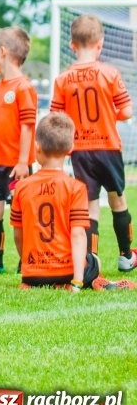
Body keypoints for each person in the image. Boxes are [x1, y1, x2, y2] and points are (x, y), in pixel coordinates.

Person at [50, 14, 137, 274]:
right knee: (118, 201)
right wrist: (110, 113)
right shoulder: (110, 73)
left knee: (90, 206)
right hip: (108, 147)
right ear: (100, 43)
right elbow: (127, 111)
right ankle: (126, 256)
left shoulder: (63, 79)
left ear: (72, 45)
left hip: (80, 150)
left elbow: (57, 118)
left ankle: (91, 262)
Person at [12, 113, 134, 291]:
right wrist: (77, 280)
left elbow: (18, 235)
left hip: (32, 275)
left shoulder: (21, 187)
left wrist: (27, 267)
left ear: (36, 147)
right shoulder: (75, 187)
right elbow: (78, 235)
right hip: (66, 273)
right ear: (70, 149)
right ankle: (95, 281)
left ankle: (32, 281)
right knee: (95, 260)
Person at [0, 27, 37, 274]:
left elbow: (27, 126)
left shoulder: (23, 87)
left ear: (2, 52)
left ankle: (26, 261)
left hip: (16, 166)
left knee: (21, 217)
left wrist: (23, 162)